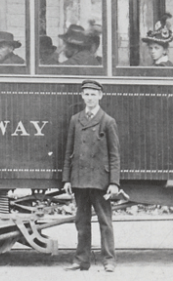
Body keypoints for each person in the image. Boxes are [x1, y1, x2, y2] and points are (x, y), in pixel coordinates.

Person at [63, 79, 121, 273]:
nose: (89, 98)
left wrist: (114, 182)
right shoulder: (75, 119)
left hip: (99, 181)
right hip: (79, 179)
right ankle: (81, 260)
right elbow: (68, 151)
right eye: (86, 94)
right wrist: (67, 179)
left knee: (105, 221)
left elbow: (114, 155)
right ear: (82, 96)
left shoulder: (108, 121)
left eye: (93, 94)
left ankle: (109, 260)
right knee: (81, 222)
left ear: (100, 96)